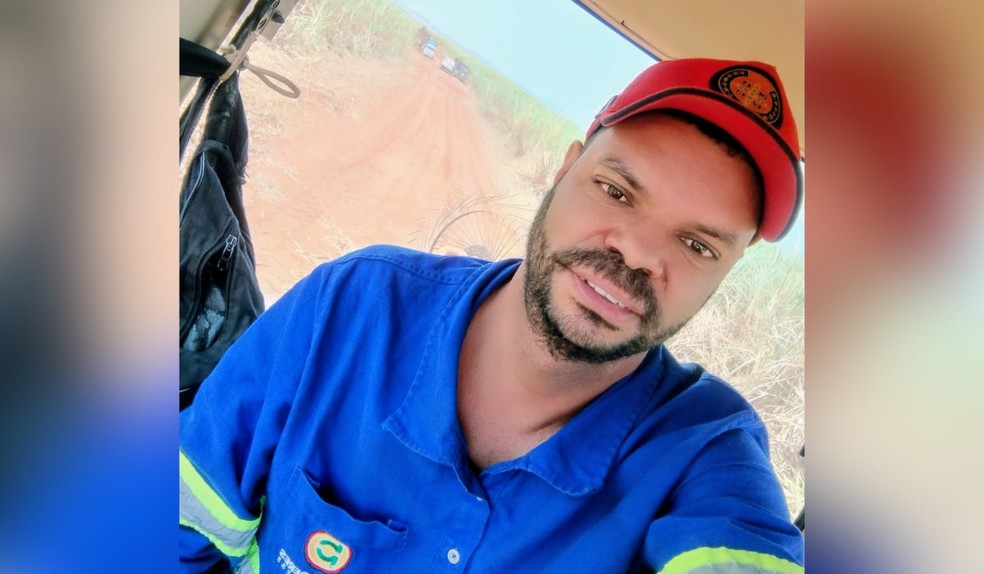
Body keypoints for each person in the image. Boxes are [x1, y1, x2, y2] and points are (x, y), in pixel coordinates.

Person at [179, 58, 805, 573]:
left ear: (724, 273)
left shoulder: (702, 453)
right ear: (564, 169)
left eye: (697, 245)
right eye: (616, 190)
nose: (638, 253)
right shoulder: (352, 307)